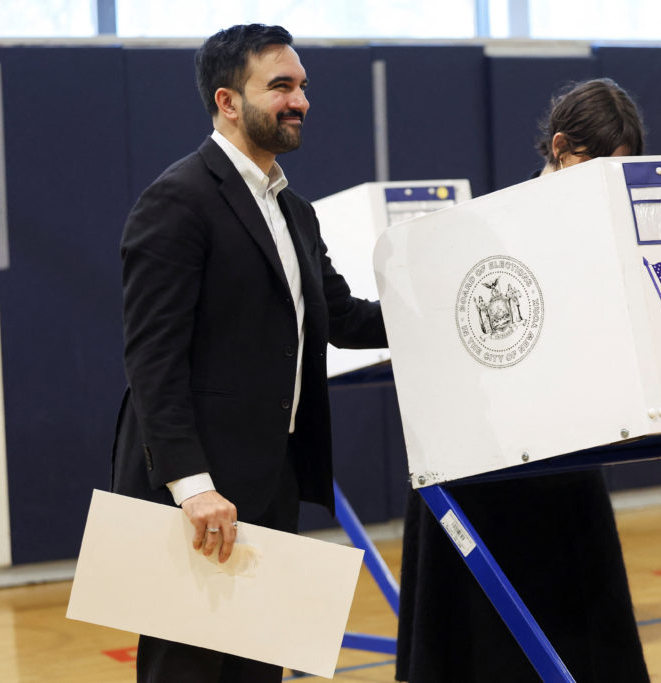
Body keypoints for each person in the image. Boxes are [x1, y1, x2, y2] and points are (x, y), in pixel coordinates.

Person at [111, 23, 386, 683]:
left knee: (260, 670)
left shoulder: (294, 210)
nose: (300, 101)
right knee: (190, 671)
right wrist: (193, 487)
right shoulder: (176, 201)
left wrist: (438, 314)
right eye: (281, 86)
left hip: (270, 479)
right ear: (228, 101)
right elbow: (154, 360)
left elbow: (342, 318)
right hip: (201, 491)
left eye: (303, 87)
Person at [395, 78, 651, 683]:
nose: (607, 188)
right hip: (484, 469)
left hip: (566, 464)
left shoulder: (605, 232)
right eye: (599, 170)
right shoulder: (485, 231)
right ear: (560, 148)